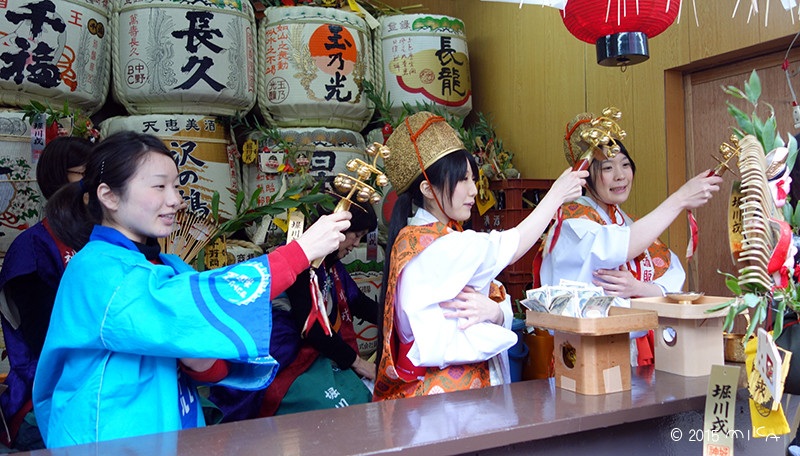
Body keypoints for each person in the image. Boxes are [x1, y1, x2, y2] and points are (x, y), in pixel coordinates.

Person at [31, 131, 352, 448]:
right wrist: (297, 253)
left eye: (175, 186)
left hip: (163, 426)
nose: (175, 200)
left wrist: (202, 360)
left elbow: (195, 343)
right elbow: (182, 304)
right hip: (109, 436)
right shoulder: (97, 269)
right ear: (110, 196)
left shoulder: (168, 266)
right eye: (159, 186)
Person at [372, 111, 586, 401]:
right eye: (462, 180)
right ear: (427, 189)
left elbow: (488, 299)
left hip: (454, 389)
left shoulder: (433, 238)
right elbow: (511, 245)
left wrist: (496, 313)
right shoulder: (433, 246)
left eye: (474, 178)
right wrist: (556, 195)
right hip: (446, 395)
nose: (474, 190)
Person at [538, 110, 722, 364]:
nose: (620, 175)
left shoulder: (627, 223)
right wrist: (680, 199)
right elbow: (618, 247)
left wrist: (638, 288)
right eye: (607, 167)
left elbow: (671, 275)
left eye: (625, 164)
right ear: (587, 175)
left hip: (628, 346)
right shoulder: (572, 221)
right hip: (585, 352)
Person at [0, 136, 92, 450]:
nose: (97, 184)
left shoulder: (107, 239)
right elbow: (42, 336)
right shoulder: (32, 248)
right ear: (58, 178)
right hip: (50, 386)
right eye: (85, 174)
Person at [268, 203, 379, 415]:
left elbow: (358, 303)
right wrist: (358, 363)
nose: (356, 244)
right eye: (355, 235)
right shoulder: (298, 260)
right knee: (348, 407)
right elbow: (312, 328)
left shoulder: (331, 265)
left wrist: (397, 319)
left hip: (317, 353)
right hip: (286, 357)